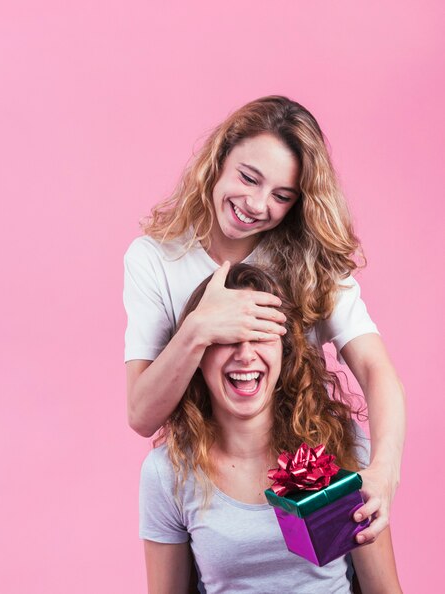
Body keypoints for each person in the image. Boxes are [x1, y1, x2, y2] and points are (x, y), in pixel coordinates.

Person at [124, 96, 404, 544]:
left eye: (281, 196)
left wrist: (384, 471)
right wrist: (199, 328)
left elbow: (375, 367)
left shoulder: (310, 261)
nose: (256, 205)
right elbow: (141, 414)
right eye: (248, 178)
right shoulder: (156, 260)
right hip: (206, 489)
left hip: (303, 478)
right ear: (218, 158)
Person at [139, 264, 402, 594]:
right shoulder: (167, 472)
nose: (245, 355)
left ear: (285, 350)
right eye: (226, 338)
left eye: (261, 335)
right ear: (197, 354)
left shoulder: (341, 445)